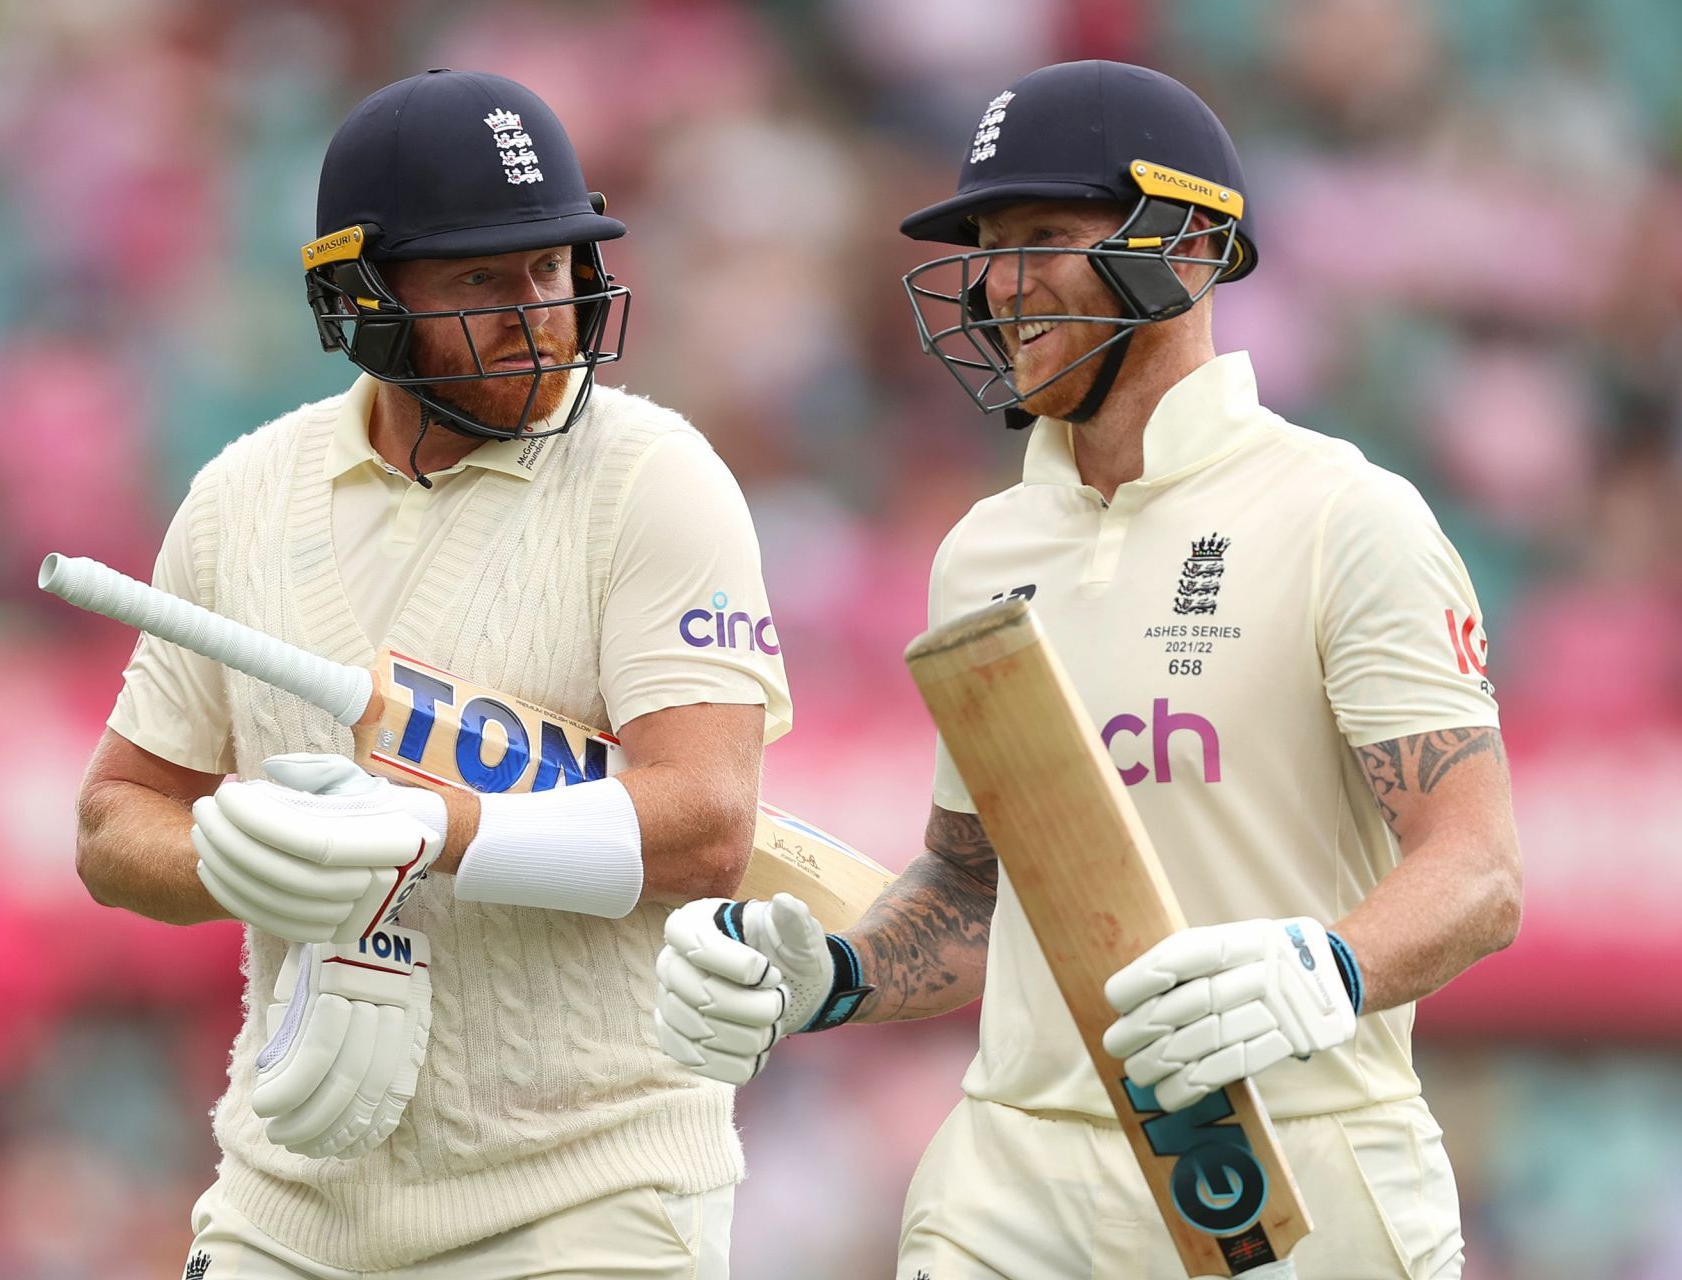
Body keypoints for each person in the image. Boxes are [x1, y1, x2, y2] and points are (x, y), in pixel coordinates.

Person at [653, 60, 1522, 1279]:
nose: (1004, 285)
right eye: (989, 246)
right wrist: (836, 971)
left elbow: (1479, 869)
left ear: (1193, 242)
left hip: (1294, 1173)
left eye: (1048, 235)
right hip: (1019, 1179)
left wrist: (1327, 966)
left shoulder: (1346, 517)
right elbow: (975, 887)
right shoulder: (985, 550)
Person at [73, 69, 789, 1280]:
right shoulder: (239, 497)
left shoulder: (654, 477)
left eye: (554, 268)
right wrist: (238, 857)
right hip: (288, 1200)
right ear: (361, 297)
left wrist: (411, 827)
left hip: (594, 1192)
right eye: (480, 278)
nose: (539, 312)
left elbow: (709, 822)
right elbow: (110, 820)